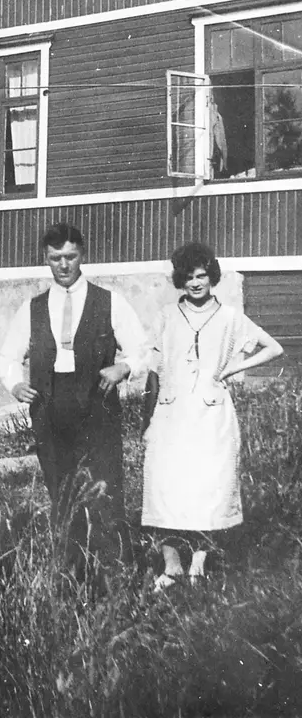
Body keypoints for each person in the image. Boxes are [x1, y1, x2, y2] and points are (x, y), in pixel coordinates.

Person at [0, 222, 149, 569]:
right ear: (45, 259)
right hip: (50, 409)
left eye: (70, 256)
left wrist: (123, 367)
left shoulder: (109, 302)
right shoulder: (32, 308)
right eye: (56, 258)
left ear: (83, 255)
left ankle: (114, 571)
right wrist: (15, 384)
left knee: (105, 489)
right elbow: (7, 356)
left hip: (98, 407)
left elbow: (142, 349)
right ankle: (72, 572)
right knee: (62, 492)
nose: (64, 265)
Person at [142, 242, 283, 591]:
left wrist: (232, 368)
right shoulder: (167, 315)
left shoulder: (229, 317)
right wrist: (147, 422)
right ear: (180, 279)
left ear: (212, 276)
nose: (195, 283)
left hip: (211, 414)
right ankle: (172, 565)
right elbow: (154, 372)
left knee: (209, 487)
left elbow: (273, 348)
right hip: (172, 413)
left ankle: (199, 563)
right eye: (189, 277)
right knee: (164, 486)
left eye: (201, 276)